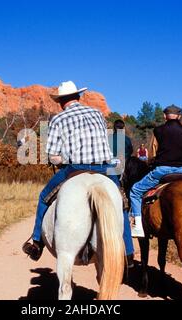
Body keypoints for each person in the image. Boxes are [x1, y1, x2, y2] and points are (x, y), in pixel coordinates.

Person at [22, 81, 135, 264]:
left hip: (76, 168)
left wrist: (62, 159)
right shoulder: (97, 113)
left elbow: (53, 156)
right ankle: (128, 252)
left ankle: (36, 243)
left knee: (44, 197)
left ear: (60, 101)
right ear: (78, 97)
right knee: (121, 202)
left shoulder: (58, 119)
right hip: (105, 168)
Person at [129, 105, 182, 238]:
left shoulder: (158, 131)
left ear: (164, 116)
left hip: (162, 171)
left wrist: (151, 162)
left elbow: (152, 154)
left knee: (135, 191)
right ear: (179, 116)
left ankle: (138, 226)